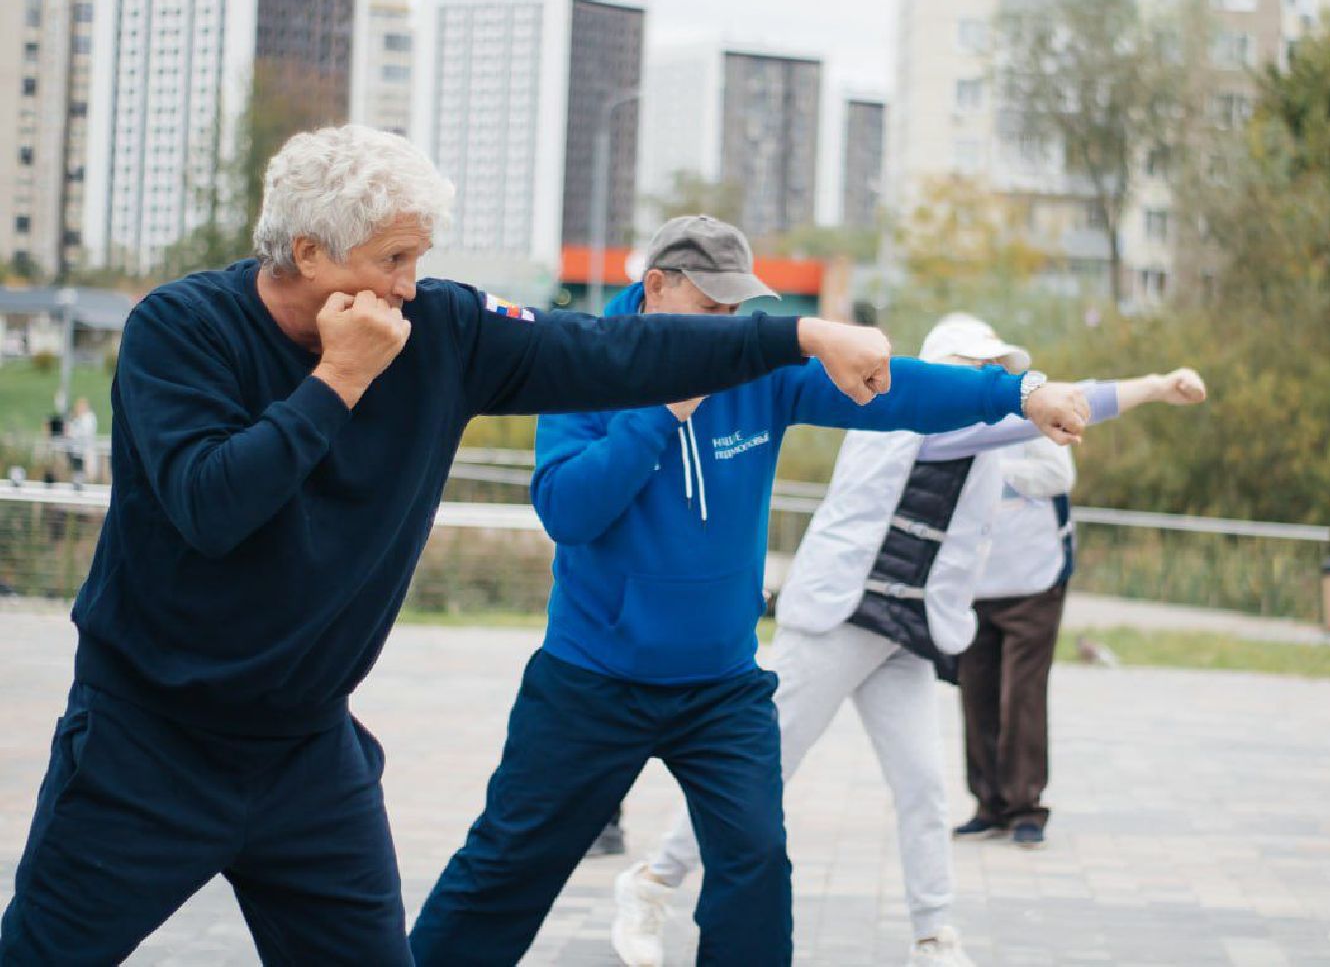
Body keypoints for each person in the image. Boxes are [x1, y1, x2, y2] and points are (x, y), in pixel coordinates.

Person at [0, 128, 897, 965]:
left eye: (417, 259)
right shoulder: (182, 330)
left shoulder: (443, 330)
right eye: (392, 259)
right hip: (149, 744)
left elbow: (612, 352)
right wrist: (340, 378)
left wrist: (799, 337)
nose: (407, 286)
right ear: (308, 252)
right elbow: (213, 505)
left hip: (306, 752)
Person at [409, 221, 1095, 967]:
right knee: (508, 865)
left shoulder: (752, 371)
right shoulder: (583, 364)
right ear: (657, 287)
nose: (727, 331)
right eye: (712, 312)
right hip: (592, 679)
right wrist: (659, 410)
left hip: (720, 687)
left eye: (736, 314)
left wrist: (1019, 394)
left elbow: (896, 390)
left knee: (756, 865)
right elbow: (567, 513)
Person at [615, 314, 1206, 967]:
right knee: (756, 773)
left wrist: (1140, 389)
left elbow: (1056, 426)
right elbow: (1053, 403)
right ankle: (652, 883)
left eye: (992, 368)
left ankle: (933, 938)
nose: (985, 379)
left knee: (922, 789)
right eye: (971, 367)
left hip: (906, 633)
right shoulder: (906, 416)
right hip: (840, 620)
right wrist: (1150, 385)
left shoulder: (984, 442)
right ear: (934, 368)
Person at [953, 434, 1077, 849]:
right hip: (973, 581)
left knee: (1021, 695)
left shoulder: (1034, 412)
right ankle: (989, 806)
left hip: (1034, 579)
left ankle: (1025, 807)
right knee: (976, 693)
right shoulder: (955, 417)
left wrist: (991, 470)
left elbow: (1058, 475)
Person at [66, 397, 98, 484]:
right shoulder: (76, 418)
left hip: (87, 450)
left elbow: (85, 432)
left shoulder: (89, 418)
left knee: (89, 473)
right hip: (77, 451)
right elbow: (71, 433)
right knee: (78, 473)